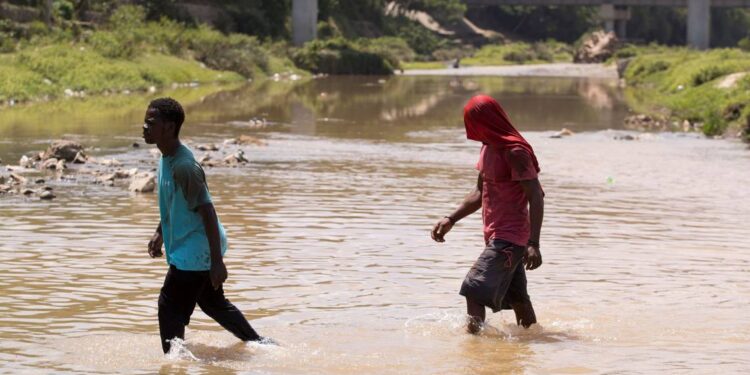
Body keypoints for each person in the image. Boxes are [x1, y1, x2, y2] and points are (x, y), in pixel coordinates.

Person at [142, 97, 271, 353]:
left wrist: (216, 262)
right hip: (195, 248)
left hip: (196, 252)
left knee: (169, 307)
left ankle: (174, 363)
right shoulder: (166, 156)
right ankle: (261, 345)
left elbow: (207, 211)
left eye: (150, 122)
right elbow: (173, 203)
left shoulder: (184, 166)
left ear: (168, 127)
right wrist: (160, 233)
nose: (144, 127)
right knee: (212, 302)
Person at [431, 95, 545, 334]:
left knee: (473, 288)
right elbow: (479, 192)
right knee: (518, 299)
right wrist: (451, 218)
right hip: (497, 236)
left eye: (473, 122)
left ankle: (475, 350)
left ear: (487, 121)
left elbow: (536, 195)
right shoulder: (487, 148)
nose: (470, 129)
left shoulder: (515, 152)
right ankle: (533, 343)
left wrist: (534, 243)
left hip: (510, 238)